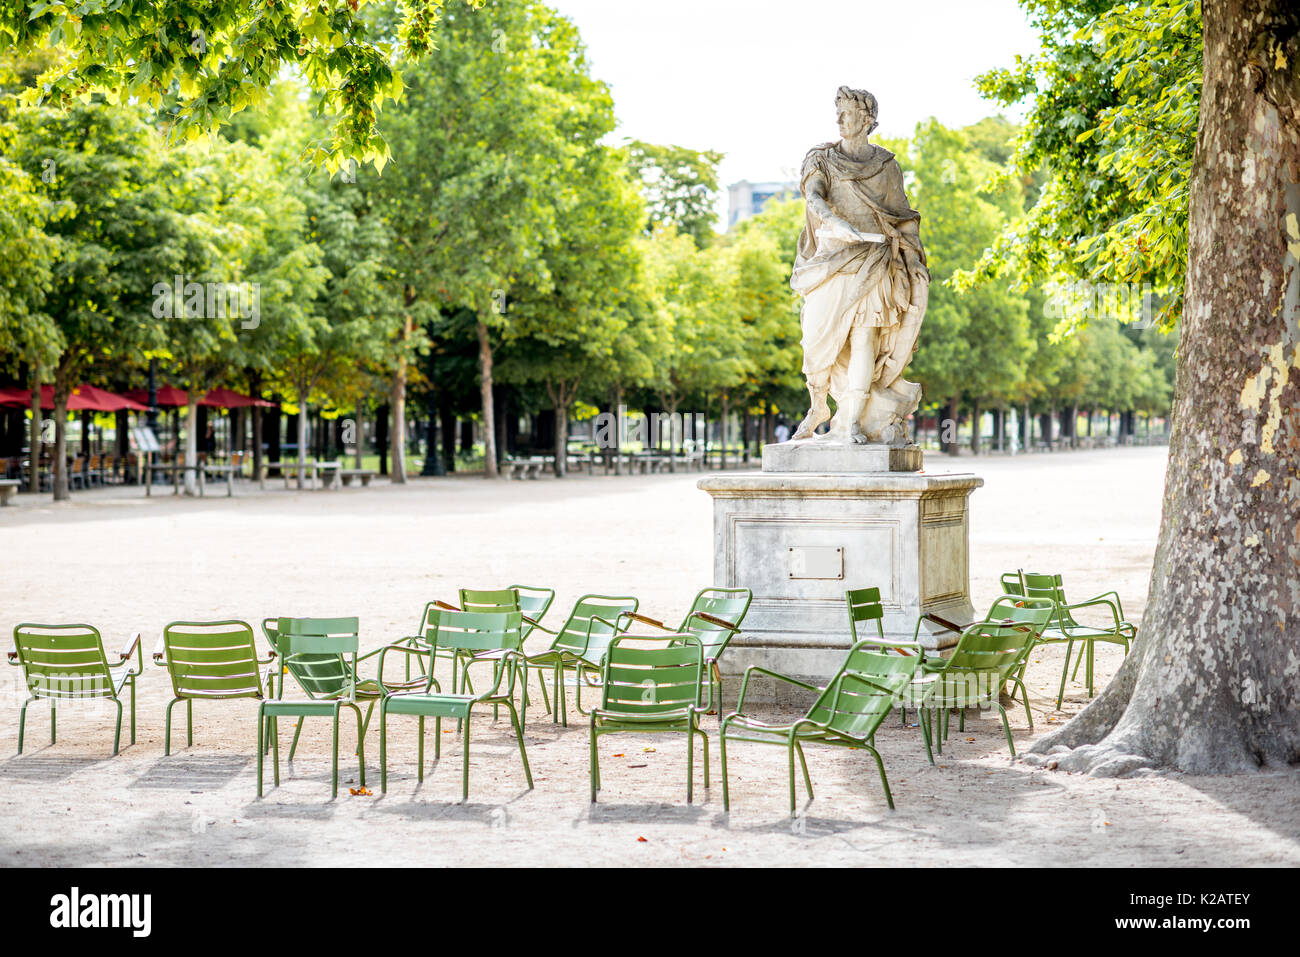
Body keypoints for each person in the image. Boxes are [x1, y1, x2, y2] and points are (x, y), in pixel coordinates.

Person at [790, 86, 930, 446]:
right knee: (815, 339)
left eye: (847, 112)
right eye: (837, 112)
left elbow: (902, 217)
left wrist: (913, 259)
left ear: (867, 120)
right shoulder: (821, 158)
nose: (839, 119)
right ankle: (818, 404)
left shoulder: (886, 166)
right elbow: (814, 194)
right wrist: (832, 221)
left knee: (865, 338)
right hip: (833, 261)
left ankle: (852, 419)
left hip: (874, 260)